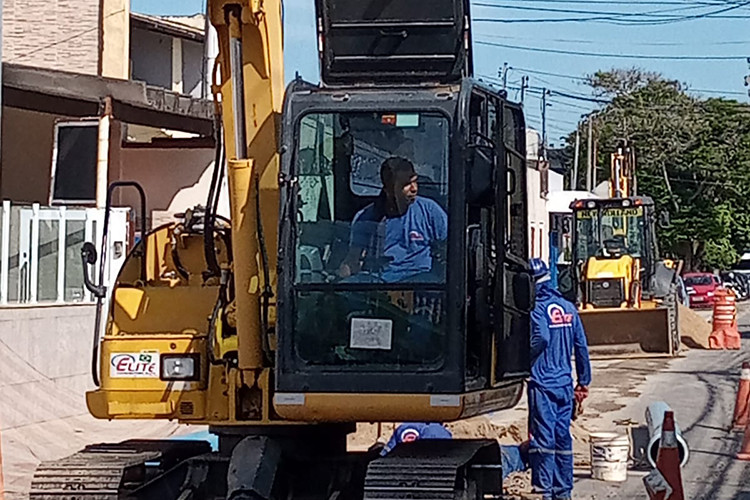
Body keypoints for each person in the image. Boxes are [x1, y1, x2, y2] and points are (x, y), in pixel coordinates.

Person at [528, 258, 592, 500]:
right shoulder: (567, 308)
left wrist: (524, 357)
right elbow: (581, 346)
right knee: (562, 436)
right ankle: (563, 491)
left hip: (542, 382)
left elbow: (541, 338)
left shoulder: (536, 308)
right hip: (565, 384)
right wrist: (583, 381)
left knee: (543, 438)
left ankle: (543, 490)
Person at [339, 157, 448, 283]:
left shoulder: (430, 210)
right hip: (378, 282)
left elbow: (450, 247)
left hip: (419, 280)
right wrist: (337, 282)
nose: (414, 189)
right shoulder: (365, 218)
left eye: (415, 181)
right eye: (406, 185)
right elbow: (353, 259)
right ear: (388, 190)